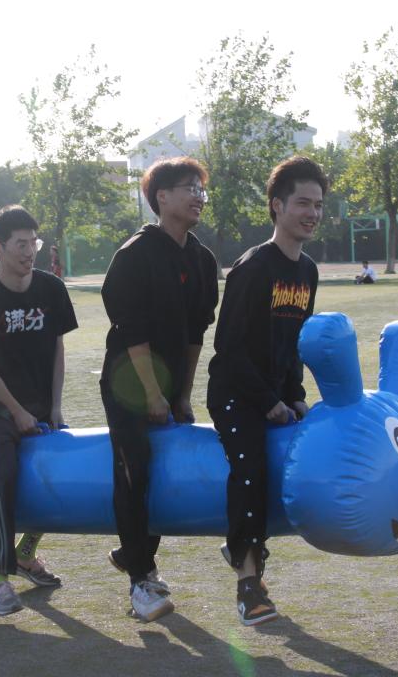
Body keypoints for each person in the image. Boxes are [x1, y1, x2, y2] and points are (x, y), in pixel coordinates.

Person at [207, 155, 327, 626]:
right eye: (303, 203)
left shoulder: (308, 271)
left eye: (318, 205)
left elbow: (295, 343)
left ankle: (243, 548)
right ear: (277, 205)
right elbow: (229, 349)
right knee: (251, 470)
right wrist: (268, 402)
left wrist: (295, 395)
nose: (312, 213)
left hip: (277, 395)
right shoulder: (253, 267)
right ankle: (248, 584)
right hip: (235, 394)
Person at [100, 156, 219, 622]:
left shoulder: (202, 260)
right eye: (189, 188)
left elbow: (195, 335)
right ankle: (140, 581)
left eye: (201, 189)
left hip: (168, 386)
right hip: (128, 381)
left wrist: (182, 395)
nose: (198, 197)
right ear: (161, 197)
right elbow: (132, 333)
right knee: (134, 467)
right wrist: (151, 394)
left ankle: (133, 553)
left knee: (164, 469)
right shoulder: (134, 255)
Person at [0, 205, 78, 616]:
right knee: (3, 479)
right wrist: (17, 411)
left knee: (58, 475)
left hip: (43, 405)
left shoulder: (51, 289)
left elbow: (58, 349)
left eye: (34, 243)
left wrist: (55, 406)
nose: (30, 252)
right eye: (20, 244)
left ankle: (27, 552)